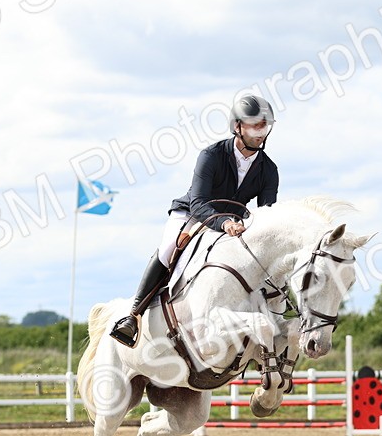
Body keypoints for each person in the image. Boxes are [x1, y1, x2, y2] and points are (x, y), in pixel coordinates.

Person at [109, 94, 280, 347]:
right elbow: (199, 202)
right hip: (192, 213)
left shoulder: (269, 169)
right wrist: (224, 223)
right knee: (169, 249)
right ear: (237, 126)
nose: (261, 132)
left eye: (265, 126)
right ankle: (133, 315)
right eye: (255, 126)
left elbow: (266, 215)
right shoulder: (211, 155)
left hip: (232, 224)